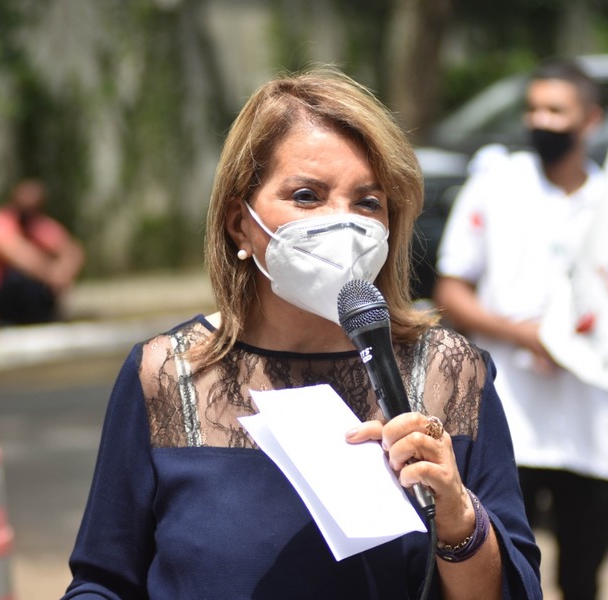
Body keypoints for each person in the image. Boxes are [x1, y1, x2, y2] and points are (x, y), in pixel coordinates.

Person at [62, 68, 541, 599]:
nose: (343, 222)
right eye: (308, 195)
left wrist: (456, 513)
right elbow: (104, 581)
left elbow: (511, 591)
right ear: (239, 221)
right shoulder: (168, 374)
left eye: (367, 202)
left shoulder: (450, 375)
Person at [433, 58, 608, 600]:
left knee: (585, 574)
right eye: (533, 108)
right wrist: (525, 335)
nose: (541, 120)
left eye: (556, 110)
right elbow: (452, 291)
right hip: (509, 417)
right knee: (507, 568)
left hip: (590, 424)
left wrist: (577, 341)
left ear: (591, 119)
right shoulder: (496, 186)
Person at [0, 179, 85, 325]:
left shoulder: (37, 225)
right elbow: (17, 255)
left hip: (35, 297)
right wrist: (52, 274)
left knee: (38, 287)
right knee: (19, 277)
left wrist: (63, 271)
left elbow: (73, 251)